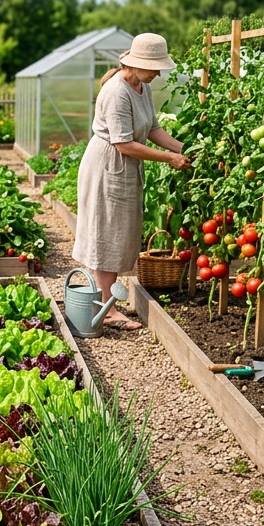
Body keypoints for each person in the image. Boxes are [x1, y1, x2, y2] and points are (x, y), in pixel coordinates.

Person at [71, 32, 192, 330]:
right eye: (154, 66)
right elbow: (123, 143)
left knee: (118, 233)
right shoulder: (116, 91)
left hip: (124, 167)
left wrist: (183, 149)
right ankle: (106, 310)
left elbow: (152, 128)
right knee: (106, 233)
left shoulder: (141, 87)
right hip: (107, 166)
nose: (158, 72)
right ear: (136, 64)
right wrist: (169, 159)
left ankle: (105, 303)